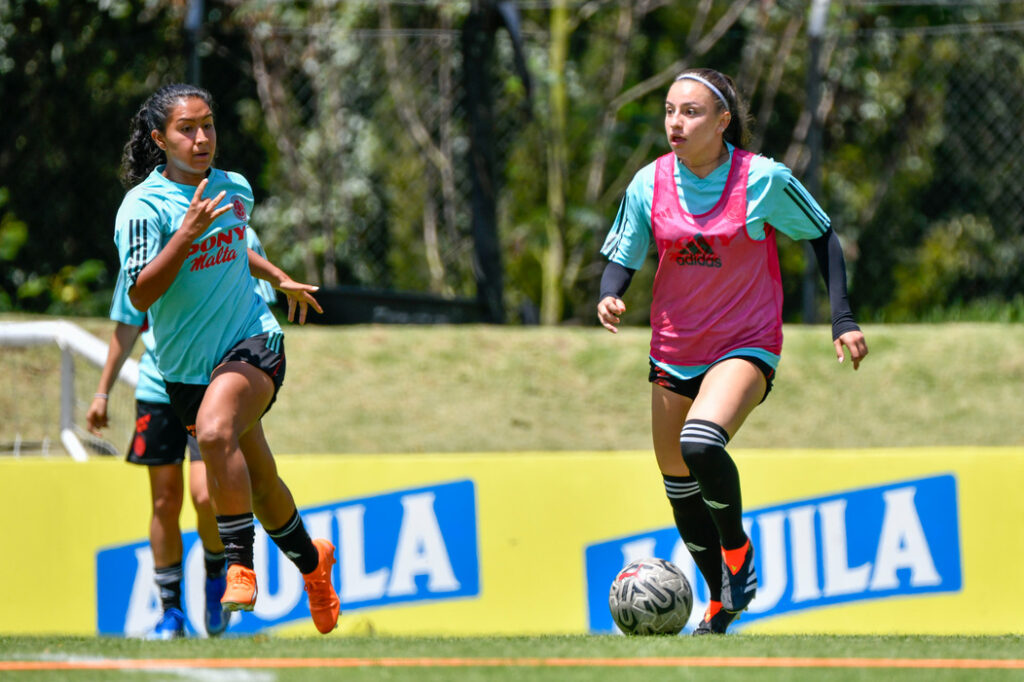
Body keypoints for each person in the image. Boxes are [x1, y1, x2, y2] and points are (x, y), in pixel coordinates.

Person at [597, 68, 868, 635]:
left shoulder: (762, 179)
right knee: (676, 479)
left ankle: (738, 554)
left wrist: (842, 318)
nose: (676, 122)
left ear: (723, 121)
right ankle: (721, 605)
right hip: (674, 347)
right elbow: (624, 251)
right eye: (670, 110)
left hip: (745, 343)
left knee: (699, 443)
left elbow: (823, 237)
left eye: (691, 112)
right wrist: (609, 295)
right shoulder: (649, 182)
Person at [113, 83, 340, 634]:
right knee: (260, 483)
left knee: (215, 433)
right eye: (186, 129)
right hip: (187, 370)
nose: (201, 137)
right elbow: (140, 294)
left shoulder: (233, 187)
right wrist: (186, 236)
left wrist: (278, 276)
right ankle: (314, 565)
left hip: (252, 340)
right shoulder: (142, 209)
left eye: (208, 125)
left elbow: (239, 245)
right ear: (159, 139)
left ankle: (239, 565)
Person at [87, 227, 278, 640]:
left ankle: (215, 571)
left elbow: (259, 305)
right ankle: (170, 612)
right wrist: (102, 391)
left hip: (210, 381)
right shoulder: (149, 227)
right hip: (160, 384)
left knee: (206, 495)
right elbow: (128, 319)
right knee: (164, 500)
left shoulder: (238, 228)